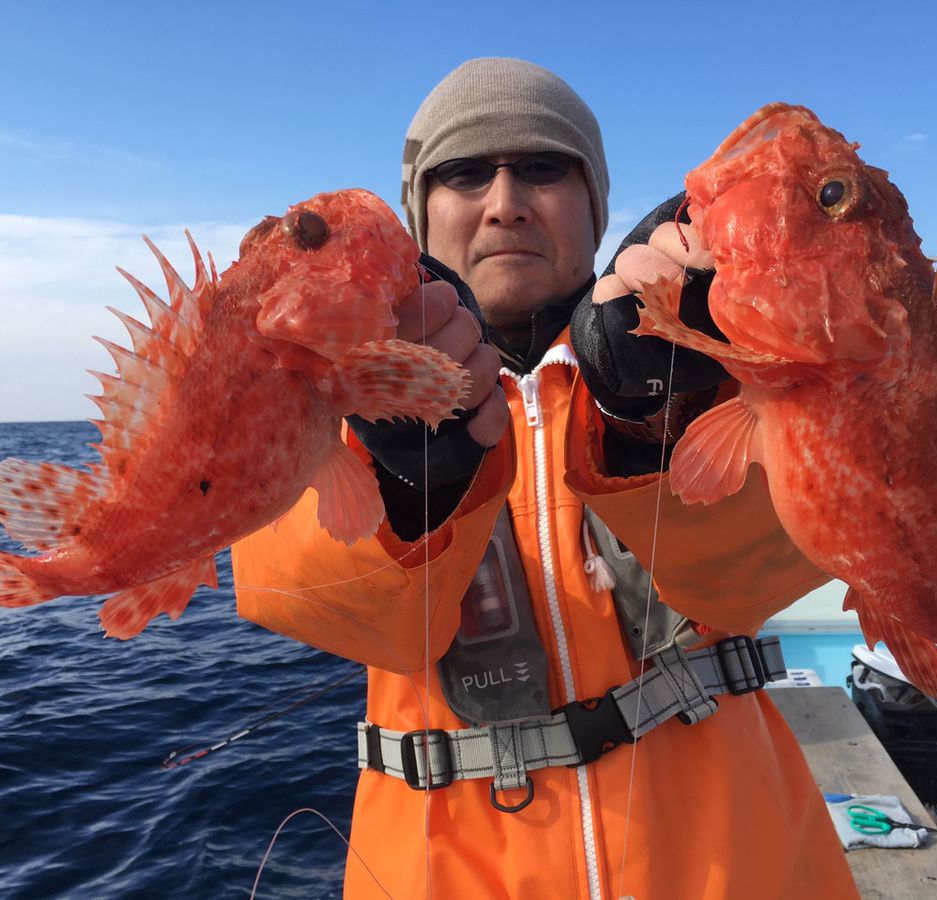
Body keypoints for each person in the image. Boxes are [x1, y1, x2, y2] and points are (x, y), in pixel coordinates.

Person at [232, 58, 858, 899]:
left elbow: (768, 571)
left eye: (541, 167)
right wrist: (408, 487)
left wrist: (659, 426)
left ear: (596, 206)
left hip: (733, 862)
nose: (504, 202)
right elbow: (309, 602)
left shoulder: (729, 357)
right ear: (420, 218)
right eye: (463, 175)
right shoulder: (330, 394)